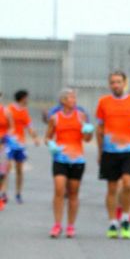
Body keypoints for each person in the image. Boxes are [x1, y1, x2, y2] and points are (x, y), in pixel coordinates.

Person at [95, 71, 130, 239]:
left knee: (128, 184)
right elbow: (99, 129)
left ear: (124, 83)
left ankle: (125, 218)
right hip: (110, 151)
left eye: (118, 82)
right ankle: (112, 221)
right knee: (111, 188)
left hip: (129, 150)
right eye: (112, 82)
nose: (115, 85)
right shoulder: (103, 102)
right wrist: (100, 152)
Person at [44, 88, 93, 238]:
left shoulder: (81, 116)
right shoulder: (55, 118)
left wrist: (88, 131)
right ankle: (57, 224)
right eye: (71, 98)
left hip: (77, 159)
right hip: (60, 159)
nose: (74, 100)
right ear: (63, 100)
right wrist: (51, 145)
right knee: (59, 189)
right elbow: (47, 137)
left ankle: (71, 225)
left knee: (73, 192)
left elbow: (87, 139)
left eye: (74, 98)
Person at [7, 89, 41, 203]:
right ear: (22, 98)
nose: (28, 100)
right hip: (8, 142)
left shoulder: (24, 111)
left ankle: (18, 193)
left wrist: (35, 138)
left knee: (19, 169)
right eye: (26, 97)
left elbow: (29, 126)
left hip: (20, 144)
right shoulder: (9, 109)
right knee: (6, 168)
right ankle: (3, 192)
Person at [0, 93, 13, 210]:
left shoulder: (6, 112)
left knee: (2, 172)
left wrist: (6, 136)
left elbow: (12, 127)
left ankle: (2, 194)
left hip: (3, 145)